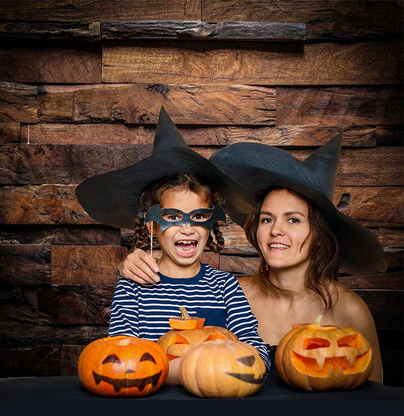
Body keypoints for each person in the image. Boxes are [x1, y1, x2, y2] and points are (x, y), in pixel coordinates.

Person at [117, 133, 387, 383]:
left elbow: (374, 399)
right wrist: (128, 265)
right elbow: (123, 357)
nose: (276, 230)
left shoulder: (226, 289)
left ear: (319, 234)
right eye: (267, 219)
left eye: (293, 220)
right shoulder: (236, 290)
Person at [75, 106, 270, 385]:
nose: (187, 228)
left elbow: (257, 352)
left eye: (199, 217)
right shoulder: (133, 286)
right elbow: (121, 360)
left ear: (211, 223)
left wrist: (229, 370)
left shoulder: (226, 288)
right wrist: (196, 371)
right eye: (172, 217)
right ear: (152, 224)